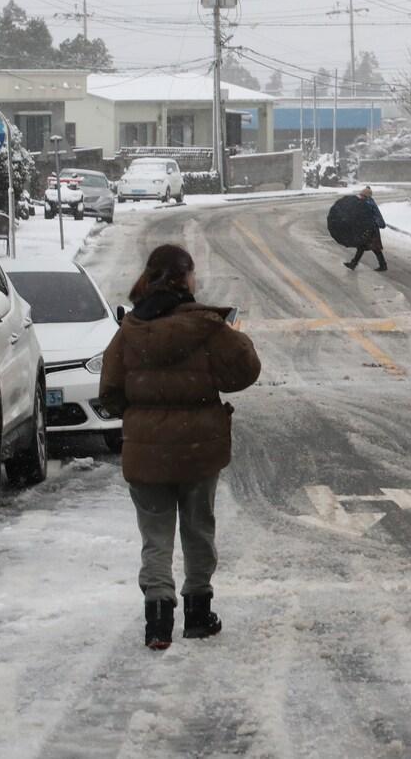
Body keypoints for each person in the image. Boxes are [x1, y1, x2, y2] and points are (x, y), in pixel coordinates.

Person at [100, 244, 262, 651]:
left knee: (155, 536)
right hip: (198, 446)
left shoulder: (129, 331)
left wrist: (141, 413)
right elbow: (245, 371)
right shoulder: (205, 326)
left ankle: (157, 622)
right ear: (185, 277)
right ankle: (197, 613)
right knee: (198, 528)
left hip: (146, 449)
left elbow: (110, 392)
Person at [344, 186, 388, 272]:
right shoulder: (367, 202)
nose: (360, 196)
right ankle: (354, 264)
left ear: (366, 196)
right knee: (365, 247)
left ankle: (382, 265)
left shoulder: (368, 204)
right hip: (369, 229)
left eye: (362, 195)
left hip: (371, 230)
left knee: (373, 248)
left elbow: (370, 216)